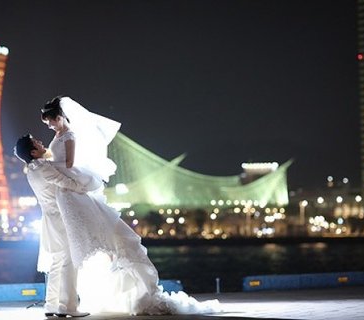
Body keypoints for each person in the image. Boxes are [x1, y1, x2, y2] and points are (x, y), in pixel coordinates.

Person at [34, 96, 221, 315]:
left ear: (58, 117)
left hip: (71, 191)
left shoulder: (70, 136)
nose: (49, 126)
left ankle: (72, 302)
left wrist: (45, 163)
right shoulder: (58, 135)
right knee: (77, 248)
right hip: (66, 197)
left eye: (50, 122)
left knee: (91, 242)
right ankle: (68, 301)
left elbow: (69, 164)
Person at [14, 135, 90, 318]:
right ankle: (68, 307)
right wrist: (87, 185)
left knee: (58, 261)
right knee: (69, 260)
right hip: (61, 218)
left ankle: (51, 305)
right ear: (33, 152)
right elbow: (68, 183)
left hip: (50, 219)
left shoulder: (32, 169)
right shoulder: (43, 168)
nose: (41, 142)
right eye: (36, 142)